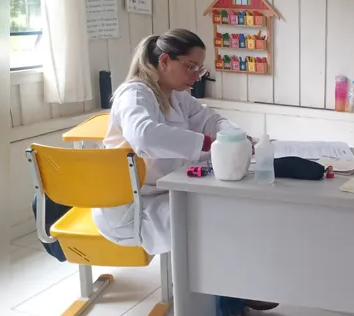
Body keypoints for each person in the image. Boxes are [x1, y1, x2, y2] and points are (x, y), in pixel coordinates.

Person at [91, 29, 277, 314]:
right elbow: (144, 136)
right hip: (131, 205)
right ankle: (225, 302)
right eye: (190, 67)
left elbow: (211, 119)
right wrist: (207, 144)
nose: (195, 75)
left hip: (163, 192)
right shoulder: (135, 93)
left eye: (199, 69)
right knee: (212, 227)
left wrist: (235, 137)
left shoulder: (176, 95)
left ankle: (235, 291)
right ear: (164, 60)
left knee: (229, 212)